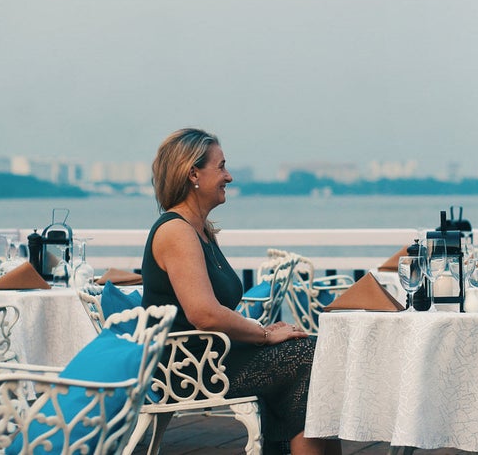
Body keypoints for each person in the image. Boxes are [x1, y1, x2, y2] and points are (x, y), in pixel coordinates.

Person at [141, 128, 341, 455]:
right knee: (308, 357)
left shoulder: (200, 230)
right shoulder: (175, 231)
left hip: (215, 356)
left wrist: (263, 331)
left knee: (309, 351)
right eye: (220, 167)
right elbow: (203, 313)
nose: (229, 177)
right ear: (193, 173)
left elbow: (216, 310)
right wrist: (262, 335)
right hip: (191, 369)